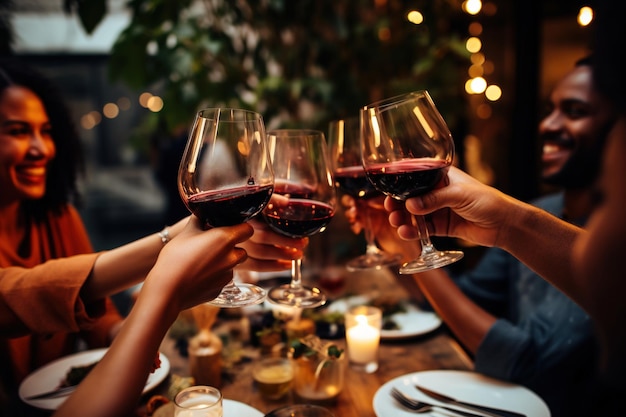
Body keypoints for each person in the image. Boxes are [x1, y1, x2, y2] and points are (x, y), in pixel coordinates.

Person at [0, 57, 305, 415]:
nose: (41, 149)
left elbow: (82, 310)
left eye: (46, 131)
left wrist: (177, 239)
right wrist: (164, 290)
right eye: (18, 131)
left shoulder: (55, 216)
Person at [384, 1, 626, 412]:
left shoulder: (609, 245)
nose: (548, 125)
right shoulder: (543, 207)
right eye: (550, 109)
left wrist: (412, 252)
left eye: (576, 111)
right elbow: (460, 298)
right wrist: (392, 246)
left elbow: (531, 363)